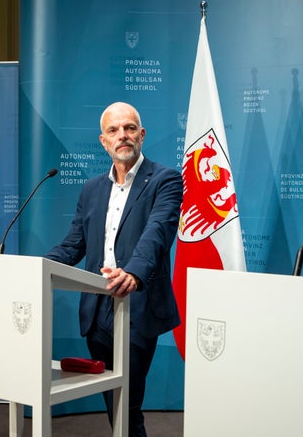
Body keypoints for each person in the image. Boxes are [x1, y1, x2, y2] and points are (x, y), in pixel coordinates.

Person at [45, 102, 183, 437]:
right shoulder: (92, 189)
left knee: (128, 403)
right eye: (113, 130)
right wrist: (36, 266)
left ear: (142, 134)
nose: (122, 135)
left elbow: (157, 233)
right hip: (96, 311)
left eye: (129, 128)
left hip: (136, 305)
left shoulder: (165, 179)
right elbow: (73, 245)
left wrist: (133, 272)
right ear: (103, 140)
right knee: (113, 401)